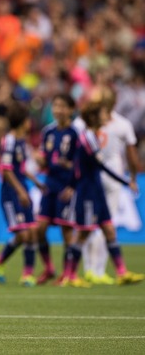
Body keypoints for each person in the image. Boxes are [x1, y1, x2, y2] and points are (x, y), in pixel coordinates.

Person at [59, 102, 143, 287]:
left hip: (96, 190)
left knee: (109, 229)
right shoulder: (87, 137)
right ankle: (70, 274)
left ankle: (122, 272)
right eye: (104, 114)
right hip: (88, 191)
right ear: (94, 117)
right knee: (83, 233)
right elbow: (99, 166)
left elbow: (80, 167)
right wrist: (125, 181)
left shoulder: (93, 137)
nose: (108, 117)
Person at [81, 89, 141, 285]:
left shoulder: (84, 123)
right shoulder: (123, 124)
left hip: (90, 178)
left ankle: (89, 269)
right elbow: (131, 155)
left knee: (89, 225)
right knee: (106, 224)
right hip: (112, 176)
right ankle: (98, 270)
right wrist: (131, 177)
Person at [0, 102, 45, 287]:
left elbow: (20, 168)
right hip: (10, 193)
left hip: (22, 189)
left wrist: (36, 182)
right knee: (24, 234)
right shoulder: (9, 141)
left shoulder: (21, 142)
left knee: (31, 232)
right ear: (23, 122)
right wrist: (21, 190)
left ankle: (27, 274)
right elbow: (6, 169)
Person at [33, 94, 79, 285]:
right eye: (55, 105)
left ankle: (68, 273)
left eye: (62, 106)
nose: (57, 110)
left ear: (71, 109)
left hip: (66, 186)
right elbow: (45, 158)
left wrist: (72, 186)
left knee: (66, 231)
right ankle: (49, 268)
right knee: (40, 229)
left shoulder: (76, 133)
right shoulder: (48, 132)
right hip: (50, 184)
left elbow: (80, 164)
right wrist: (39, 160)